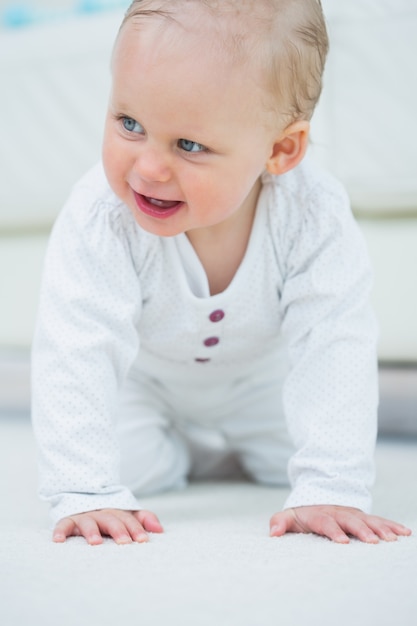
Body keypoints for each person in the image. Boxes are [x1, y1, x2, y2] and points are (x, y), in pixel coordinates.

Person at [32, 0, 411, 546]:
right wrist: (85, 490)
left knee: (299, 463)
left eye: (189, 145)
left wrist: (331, 484)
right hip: (145, 380)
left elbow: (334, 338)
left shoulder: (312, 213)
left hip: (261, 381)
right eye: (129, 123)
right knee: (124, 465)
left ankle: (238, 450)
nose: (148, 168)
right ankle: (182, 452)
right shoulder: (100, 217)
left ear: (280, 150)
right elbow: (77, 348)